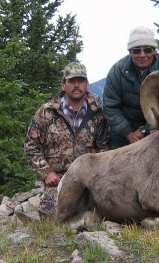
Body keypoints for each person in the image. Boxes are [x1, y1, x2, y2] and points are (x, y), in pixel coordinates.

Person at [24, 62, 110, 216]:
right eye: (71, 81)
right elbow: (31, 146)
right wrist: (47, 173)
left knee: (109, 210)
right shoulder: (46, 112)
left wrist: (98, 176)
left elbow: (105, 150)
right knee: (51, 215)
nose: (76, 85)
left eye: (81, 80)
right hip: (57, 181)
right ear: (63, 85)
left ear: (87, 84)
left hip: (88, 181)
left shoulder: (97, 114)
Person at [103, 26, 159, 149]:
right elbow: (110, 106)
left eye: (147, 50)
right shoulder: (117, 70)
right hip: (124, 131)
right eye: (136, 51)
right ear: (130, 52)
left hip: (157, 126)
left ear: (154, 50)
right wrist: (128, 133)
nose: (142, 55)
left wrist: (145, 130)